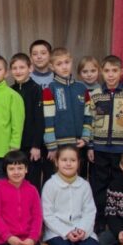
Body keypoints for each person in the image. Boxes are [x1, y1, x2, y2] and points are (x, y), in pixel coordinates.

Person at [89, 55, 123, 230]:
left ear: (121, 72)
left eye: (114, 70)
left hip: (122, 149)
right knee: (99, 185)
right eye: (107, 71)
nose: (110, 74)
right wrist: (90, 145)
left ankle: (119, 221)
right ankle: (100, 220)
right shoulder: (95, 94)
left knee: (120, 184)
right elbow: (90, 121)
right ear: (101, 73)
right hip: (100, 148)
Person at [42, 48, 92, 179]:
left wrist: (85, 137)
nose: (64, 67)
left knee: (78, 180)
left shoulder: (82, 88)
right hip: (58, 146)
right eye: (59, 64)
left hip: (79, 144)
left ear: (71, 62)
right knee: (58, 180)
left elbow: (88, 115)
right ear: (52, 66)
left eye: (66, 62)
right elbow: (48, 119)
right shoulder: (49, 89)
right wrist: (52, 145)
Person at [10, 53, 47, 190]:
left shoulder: (36, 89)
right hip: (14, 145)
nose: (18, 71)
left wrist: (36, 145)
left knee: (32, 183)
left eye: (22, 67)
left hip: (31, 147)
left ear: (30, 68)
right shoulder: (10, 90)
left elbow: (40, 119)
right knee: (15, 182)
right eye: (14, 68)